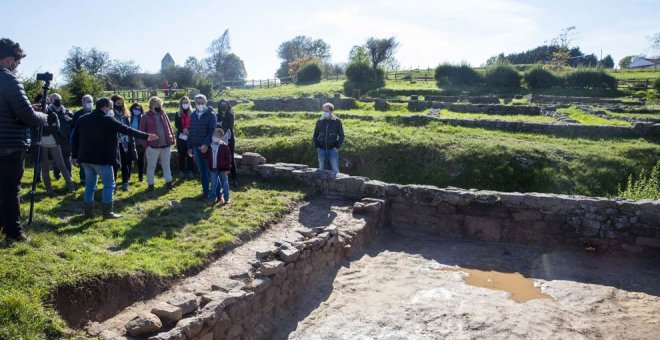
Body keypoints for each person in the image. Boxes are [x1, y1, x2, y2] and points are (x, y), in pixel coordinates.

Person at [72, 97, 157, 219]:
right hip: (102, 159)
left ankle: (88, 212)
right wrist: (147, 136)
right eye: (110, 107)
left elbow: (75, 138)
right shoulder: (108, 120)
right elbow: (127, 130)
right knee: (109, 184)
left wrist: (74, 156)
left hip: (85, 158)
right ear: (105, 107)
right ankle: (107, 212)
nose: (111, 109)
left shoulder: (82, 119)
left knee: (90, 185)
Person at [0, 38, 48, 245]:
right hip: (8, 144)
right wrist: (43, 117)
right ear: (10, 60)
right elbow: (26, 116)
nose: (18, 67)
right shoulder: (8, 79)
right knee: (10, 191)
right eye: (17, 63)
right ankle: (14, 233)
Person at [40, 94, 75, 193]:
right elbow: (36, 128)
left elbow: (56, 128)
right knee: (45, 167)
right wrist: (49, 127)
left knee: (61, 164)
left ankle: (70, 185)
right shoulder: (38, 115)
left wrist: (46, 128)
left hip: (54, 142)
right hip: (42, 144)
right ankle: (48, 188)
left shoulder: (53, 115)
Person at [139, 96, 174, 192]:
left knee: (166, 165)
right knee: (151, 166)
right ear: (151, 106)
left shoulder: (164, 114)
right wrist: (147, 145)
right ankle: (151, 184)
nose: (159, 107)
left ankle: (169, 182)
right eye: (156, 105)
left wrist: (172, 139)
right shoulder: (145, 116)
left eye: (160, 105)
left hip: (165, 145)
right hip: (152, 146)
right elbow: (141, 132)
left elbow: (169, 128)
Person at [188, 94, 217, 201]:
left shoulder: (211, 115)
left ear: (206, 103)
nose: (200, 104)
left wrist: (206, 144)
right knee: (202, 171)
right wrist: (189, 146)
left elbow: (212, 131)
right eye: (198, 103)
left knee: (211, 171)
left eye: (202, 102)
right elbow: (191, 131)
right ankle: (206, 193)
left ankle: (217, 194)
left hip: (207, 147)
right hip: (196, 146)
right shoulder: (193, 115)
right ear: (195, 103)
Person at [111, 95, 136, 191]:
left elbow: (129, 128)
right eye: (118, 103)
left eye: (122, 103)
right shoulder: (110, 114)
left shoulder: (125, 114)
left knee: (126, 163)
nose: (120, 105)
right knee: (115, 165)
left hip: (126, 142)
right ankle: (113, 185)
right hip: (115, 142)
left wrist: (131, 141)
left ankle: (125, 183)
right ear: (113, 104)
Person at [312, 102, 344, 176]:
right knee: (321, 170)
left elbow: (342, 136)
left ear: (331, 111)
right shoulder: (319, 121)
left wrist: (336, 147)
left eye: (326, 111)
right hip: (321, 150)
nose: (324, 112)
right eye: (324, 110)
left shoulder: (337, 122)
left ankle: (337, 186)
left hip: (332, 150)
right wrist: (318, 147)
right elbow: (315, 135)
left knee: (336, 170)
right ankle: (321, 187)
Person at [202, 128, 231, 205]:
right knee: (213, 184)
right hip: (212, 169)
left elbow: (228, 158)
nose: (214, 136)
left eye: (217, 135)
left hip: (223, 169)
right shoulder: (210, 145)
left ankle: (227, 198)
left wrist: (228, 168)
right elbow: (206, 156)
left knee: (224, 183)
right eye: (214, 135)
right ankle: (212, 199)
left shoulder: (224, 146)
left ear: (221, 137)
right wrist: (204, 152)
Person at [48, 93, 73, 181]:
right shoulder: (48, 111)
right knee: (56, 158)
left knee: (67, 158)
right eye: (55, 100)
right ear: (51, 101)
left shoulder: (67, 111)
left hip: (65, 138)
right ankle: (57, 175)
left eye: (59, 100)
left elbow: (74, 124)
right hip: (53, 138)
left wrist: (70, 120)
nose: (58, 102)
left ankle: (69, 176)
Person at [70, 94, 94, 184]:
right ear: (83, 102)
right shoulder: (78, 114)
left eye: (91, 101)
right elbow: (73, 131)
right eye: (88, 102)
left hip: (94, 142)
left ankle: (92, 180)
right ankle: (83, 180)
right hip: (81, 142)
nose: (90, 103)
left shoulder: (95, 113)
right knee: (83, 163)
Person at [216, 100, 238, 187]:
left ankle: (235, 178)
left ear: (228, 106)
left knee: (230, 157)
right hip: (219, 139)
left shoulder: (230, 115)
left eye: (225, 105)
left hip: (229, 139)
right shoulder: (216, 116)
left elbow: (230, 126)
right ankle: (222, 178)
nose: (223, 107)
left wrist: (221, 130)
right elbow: (215, 126)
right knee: (220, 157)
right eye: (221, 105)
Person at [174, 96, 195, 179]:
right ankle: (181, 170)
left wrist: (188, 130)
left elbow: (194, 123)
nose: (185, 104)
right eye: (183, 102)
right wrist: (183, 129)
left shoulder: (193, 113)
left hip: (190, 136)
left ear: (189, 103)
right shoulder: (177, 113)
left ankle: (190, 170)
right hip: (181, 136)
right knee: (181, 154)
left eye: (186, 102)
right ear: (181, 104)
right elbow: (176, 124)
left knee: (190, 153)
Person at [129, 103, 146, 183]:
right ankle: (127, 177)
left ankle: (140, 177)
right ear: (132, 109)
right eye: (135, 109)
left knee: (140, 159)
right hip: (130, 141)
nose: (137, 111)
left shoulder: (143, 118)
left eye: (139, 109)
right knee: (129, 159)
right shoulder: (128, 118)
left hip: (139, 142)